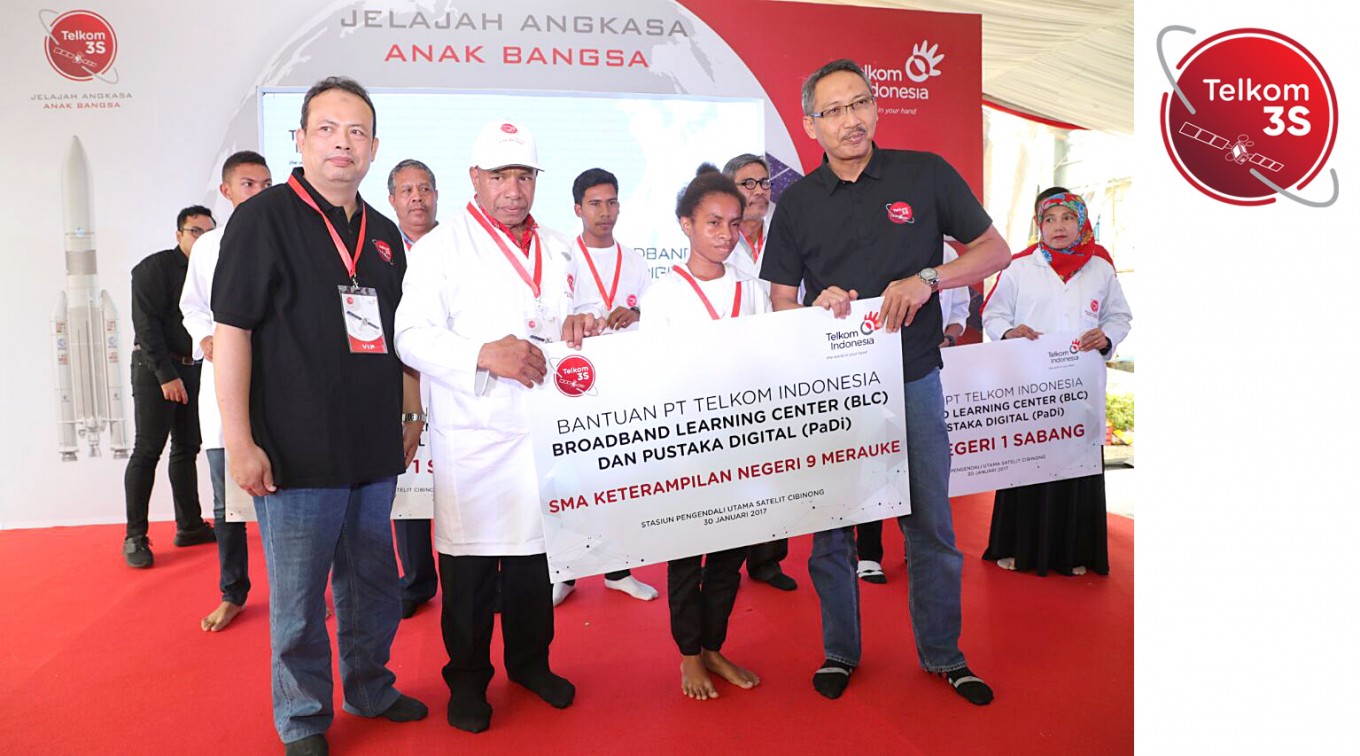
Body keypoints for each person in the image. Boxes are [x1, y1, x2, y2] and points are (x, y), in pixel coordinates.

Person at [761, 58, 1011, 705]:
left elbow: (994, 250)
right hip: (835, 394)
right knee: (832, 533)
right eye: (834, 110)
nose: (851, 120)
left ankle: (944, 655)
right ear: (812, 125)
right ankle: (840, 651)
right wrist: (813, 312)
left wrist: (929, 277)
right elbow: (780, 302)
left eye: (860, 103)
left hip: (916, 380)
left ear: (876, 108)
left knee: (931, 528)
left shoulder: (924, 173)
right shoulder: (796, 204)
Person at [212, 76, 428, 755]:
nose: (343, 142)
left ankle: (369, 684)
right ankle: (302, 717)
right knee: (300, 600)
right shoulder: (262, 219)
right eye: (328, 129)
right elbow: (233, 333)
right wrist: (240, 441)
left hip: (372, 447)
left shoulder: (386, 235)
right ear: (300, 140)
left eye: (357, 131)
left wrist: (411, 412)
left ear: (373, 148)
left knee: (373, 581)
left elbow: (400, 338)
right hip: (293, 450)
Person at [394, 119, 600, 734]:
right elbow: (410, 335)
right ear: (475, 179)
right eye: (500, 177)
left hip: (547, 432)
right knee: (472, 574)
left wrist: (586, 324)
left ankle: (532, 666)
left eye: (524, 177)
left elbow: (581, 310)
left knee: (538, 566)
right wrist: (485, 354)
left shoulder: (562, 245)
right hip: (478, 435)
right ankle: (467, 682)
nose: (513, 190)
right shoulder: (441, 248)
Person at [643, 164, 767, 700]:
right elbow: (656, 377)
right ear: (685, 224)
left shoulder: (754, 290)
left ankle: (714, 644)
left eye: (733, 223)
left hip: (743, 444)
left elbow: (772, 365)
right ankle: (688, 655)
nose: (724, 232)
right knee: (685, 557)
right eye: (712, 221)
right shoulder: (664, 295)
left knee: (729, 558)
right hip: (686, 450)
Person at [980, 187, 1131, 576]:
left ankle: (1074, 552)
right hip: (1032, 386)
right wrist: (1009, 332)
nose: (1058, 227)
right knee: (1028, 461)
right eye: (1050, 219)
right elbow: (993, 315)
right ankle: (1017, 546)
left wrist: (1107, 337)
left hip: (1080, 385)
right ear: (1038, 225)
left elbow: (1119, 317)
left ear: (1080, 221)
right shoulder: (1019, 265)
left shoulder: (1101, 266)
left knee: (1076, 466)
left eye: (1067, 218)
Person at [552, 167, 659, 607]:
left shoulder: (635, 260)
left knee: (618, 478)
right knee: (568, 480)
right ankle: (565, 571)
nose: (605, 212)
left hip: (621, 385)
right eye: (595, 203)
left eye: (612, 202)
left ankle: (618, 570)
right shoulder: (562, 257)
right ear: (577, 209)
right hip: (571, 387)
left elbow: (655, 315)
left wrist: (637, 317)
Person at [179, 151, 272, 630]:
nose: (258, 192)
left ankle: (299, 591)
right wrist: (208, 338)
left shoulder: (287, 236)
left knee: (291, 497)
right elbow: (191, 308)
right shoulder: (208, 247)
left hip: (280, 391)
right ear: (227, 191)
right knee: (226, 500)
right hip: (225, 391)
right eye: (248, 184)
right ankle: (233, 591)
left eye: (265, 183)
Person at [856, 241, 970, 585]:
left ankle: (916, 545)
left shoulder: (949, 257)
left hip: (924, 370)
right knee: (876, 462)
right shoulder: (881, 245)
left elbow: (959, 312)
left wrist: (948, 338)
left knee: (920, 469)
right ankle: (869, 554)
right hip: (874, 370)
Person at [122, 205, 217, 568]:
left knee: (187, 449)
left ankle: (189, 525)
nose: (202, 238)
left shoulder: (213, 272)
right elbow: (146, 328)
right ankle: (135, 537)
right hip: (153, 368)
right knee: (147, 450)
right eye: (195, 231)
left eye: (209, 232)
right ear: (179, 235)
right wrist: (166, 375)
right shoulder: (152, 269)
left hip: (194, 367)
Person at [720, 153, 797, 592]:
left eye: (764, 183)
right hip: (731, 367)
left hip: (780, 362)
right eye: (748, 184)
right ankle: (728, 556)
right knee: (733, 466)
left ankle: (769, 560)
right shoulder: (718, 237)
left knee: (777, 462)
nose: (759, 191)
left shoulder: (786, 231)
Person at [386, 158, 440, 619]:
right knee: (412, 485)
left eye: (424, 189)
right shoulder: (381, 248)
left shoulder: (462, 244)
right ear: (393, 200)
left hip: (459, 381)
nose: (417, 198)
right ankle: (417, 580)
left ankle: (493, 574)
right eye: (407, 191)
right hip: (400, 383)